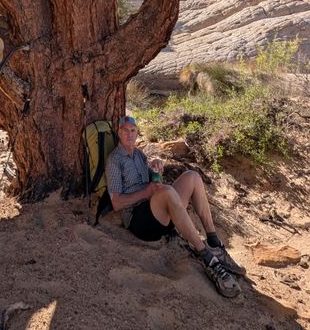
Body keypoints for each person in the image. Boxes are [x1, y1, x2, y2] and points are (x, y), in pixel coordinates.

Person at [105, 115, 245, 298]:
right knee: (169, 191)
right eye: (125, 131)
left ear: (137, 133)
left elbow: (155, 183)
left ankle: (214, 243)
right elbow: (116, 203)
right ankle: (209, 260)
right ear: (119, 133)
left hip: (157, 214)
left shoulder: (139, 155)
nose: (129, 134)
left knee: (192, 176)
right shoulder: (114, 161)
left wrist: (156, 168)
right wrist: (146, 193)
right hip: (139, 222)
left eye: (133, 131)